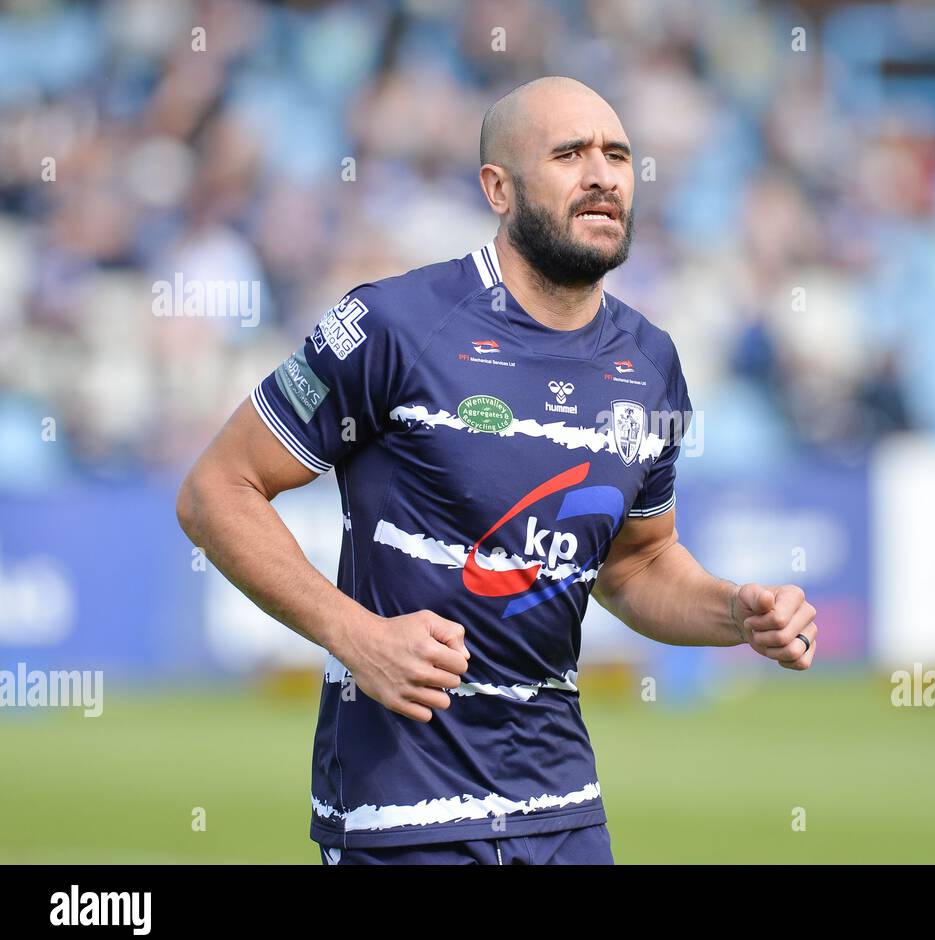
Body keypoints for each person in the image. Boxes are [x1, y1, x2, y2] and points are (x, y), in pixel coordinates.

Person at [175, 76, 817, 865]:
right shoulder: (394, 325)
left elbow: (638, 564)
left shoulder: (652, 362)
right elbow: (215, 490)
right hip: (402, 817)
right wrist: (356, 636)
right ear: (498, 188)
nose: (602, 174)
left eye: (618, 154)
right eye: (570, 153)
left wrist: (734, 611)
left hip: (565, 812)